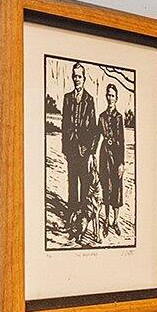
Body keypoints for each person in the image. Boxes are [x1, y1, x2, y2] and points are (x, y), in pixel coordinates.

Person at [57, 64, 99, 245]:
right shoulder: (67, 98)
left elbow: (94, 130)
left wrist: (90, 153)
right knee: (71, 185)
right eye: (74, 76)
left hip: (85, 151)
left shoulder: (89, 100)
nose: (76, 79)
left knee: (84, 188)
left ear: (84, 78)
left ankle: (82, 223)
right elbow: (64, 125)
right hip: (71, 150)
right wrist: (65, 148)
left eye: (79, 76)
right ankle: (71, 219)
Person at [96, 87, 130, 241]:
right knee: (105, 188)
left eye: (112, 96)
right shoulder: (102, 117)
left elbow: (121, 140)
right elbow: (97, 137)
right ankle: (107, 221)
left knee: (116, 189)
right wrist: (93, 154)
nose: (110, 98)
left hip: (116, 157)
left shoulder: (119, 117)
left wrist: (121, 163)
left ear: (116, 98)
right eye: (108, 95)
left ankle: (116, 221)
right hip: (104, 156)